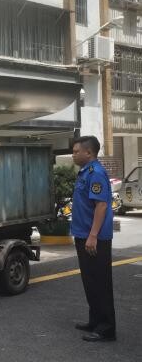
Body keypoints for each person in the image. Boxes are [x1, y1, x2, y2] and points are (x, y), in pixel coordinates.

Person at [70, 136, 116, 342]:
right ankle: (95, 321)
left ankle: (106, 328)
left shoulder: (95, 173)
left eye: (76, 151)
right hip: (84, 235)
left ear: (88, 153)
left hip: (94, 238)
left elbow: (101, 206)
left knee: (100, 282)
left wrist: (93, 235)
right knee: (90, 282)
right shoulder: (85, 172)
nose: (73, 154)